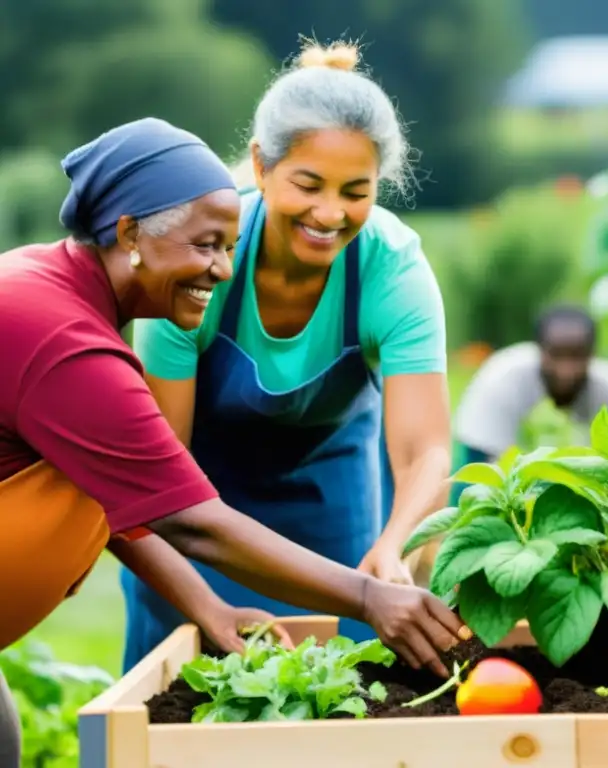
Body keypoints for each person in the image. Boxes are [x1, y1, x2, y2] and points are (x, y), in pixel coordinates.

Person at [0, 117, 470, 768]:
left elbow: (120, 502)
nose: (221, 270)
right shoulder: (66, 345)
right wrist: (367, 597)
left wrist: (207, 606)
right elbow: (190, 522)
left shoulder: (60, 299)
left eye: (229, 247)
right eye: (205, 246)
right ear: (130, 232)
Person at [121, 39, 454, 670]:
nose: (331, 213)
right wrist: (197, 592)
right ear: (262, 166)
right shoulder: (198, 265)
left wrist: (394, 546)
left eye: (356, 191)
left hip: (329, 494)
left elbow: (425, 451)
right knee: (183, 687)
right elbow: (161, 472)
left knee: (347, 683)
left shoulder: (393, 267)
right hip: (196, 501)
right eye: (309, 185)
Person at [452, 305, 608, 470]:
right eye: (556, 355)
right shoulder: (503, 378)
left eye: (577, 356)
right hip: (481, 447)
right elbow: (489, 460)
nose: (566, 371)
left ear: (592, 354)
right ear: (539, 350)